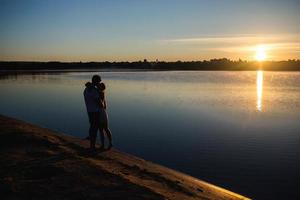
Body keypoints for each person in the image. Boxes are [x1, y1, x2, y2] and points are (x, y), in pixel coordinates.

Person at [83, 75, 101, 150]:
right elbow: (99, 102)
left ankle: (91, 145)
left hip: (89, 110)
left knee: (92, 126)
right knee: (95, 128)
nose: (99, 83)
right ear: (96, 81)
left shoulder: (86, 89)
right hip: (95, 111)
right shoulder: (95, 90)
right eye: (99, 81)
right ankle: (92, 146)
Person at [96, 82, 113, 149]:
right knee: (105, 129)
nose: (97, 86)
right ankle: (107, 144)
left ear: (101, 87)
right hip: (103, 112)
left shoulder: (100, 93)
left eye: (99, 86)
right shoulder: (101, 93)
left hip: (101, 113)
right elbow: (105, 106)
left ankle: (105, 144)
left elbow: (102, 105)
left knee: (103, 129)